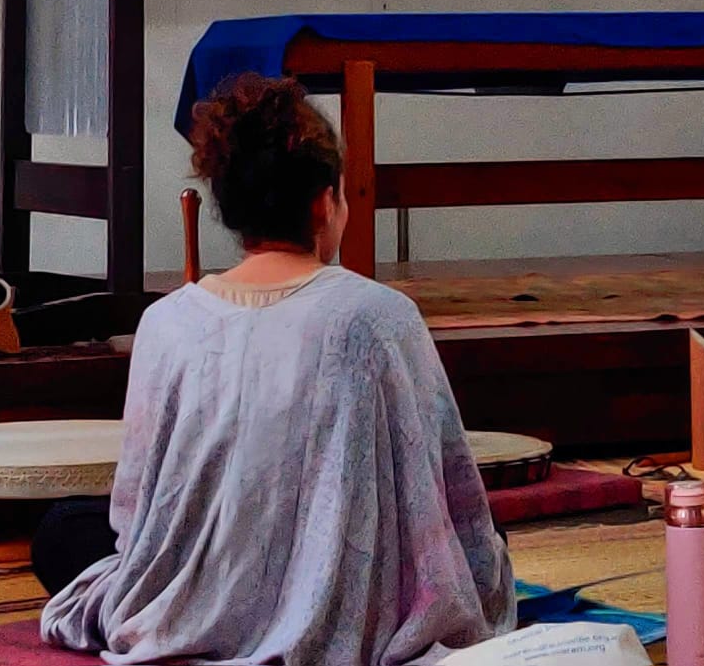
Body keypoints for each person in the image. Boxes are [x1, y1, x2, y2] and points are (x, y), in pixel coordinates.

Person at [36, 74, 515, 665]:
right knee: (480, 547)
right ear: (323, 202)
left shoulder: (166, 322)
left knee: (63, 530)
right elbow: (445, 491)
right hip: (343, 591)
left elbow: (136, 513)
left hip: (197, 590)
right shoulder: (380, 316)